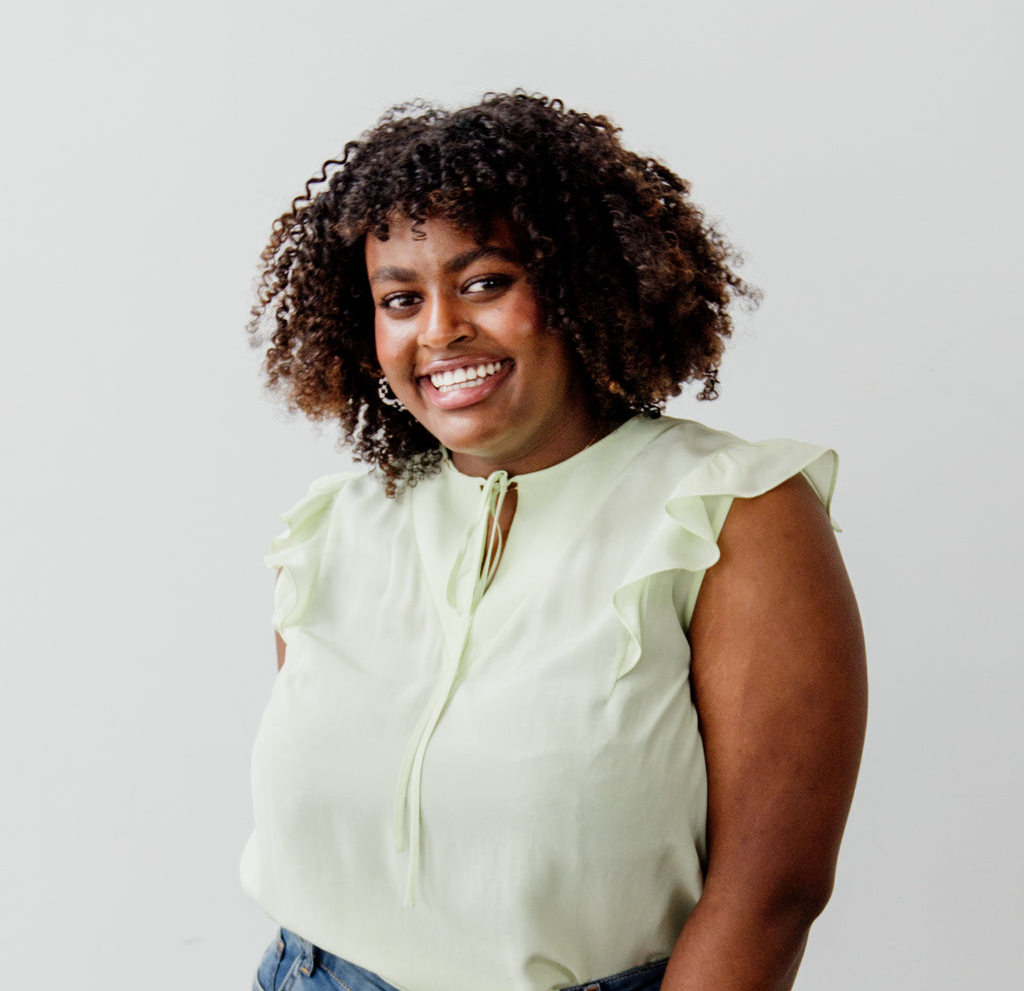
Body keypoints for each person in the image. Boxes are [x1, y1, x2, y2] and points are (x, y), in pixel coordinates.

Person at [242, 91, 867, 991]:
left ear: (579, 286)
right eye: (400, 297)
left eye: (486, 282)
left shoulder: (732, 513)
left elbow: (771, 894)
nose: (440, 328)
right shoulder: (336, 526)